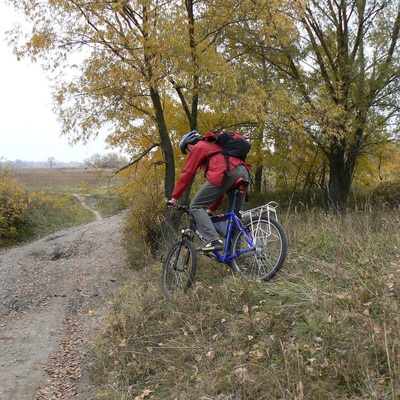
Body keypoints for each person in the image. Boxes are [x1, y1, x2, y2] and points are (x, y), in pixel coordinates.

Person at [168, 130, 250, 251]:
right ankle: (236, 260)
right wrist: (212, 209)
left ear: (189, 145)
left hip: (228, 172)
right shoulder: (216, 149)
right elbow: (220, 188)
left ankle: (213, 240)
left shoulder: (199, 147)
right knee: (234, 218)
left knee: (195, 205)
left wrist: (175, 197)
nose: (188, 153)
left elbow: (188, 173)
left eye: (186, 151)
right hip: (242, 171)